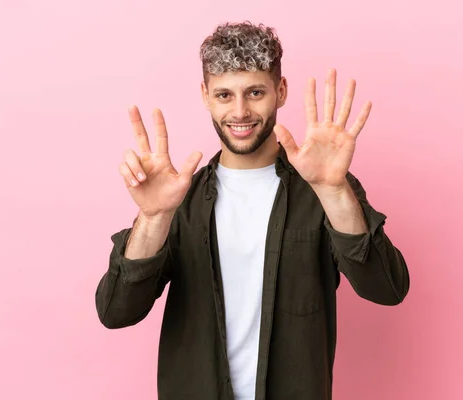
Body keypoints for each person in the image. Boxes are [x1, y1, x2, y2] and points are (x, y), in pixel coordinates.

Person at [95, 21, 410, 400]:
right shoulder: (179, 199)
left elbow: (387, 288)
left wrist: (333, 190)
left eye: (255, 92)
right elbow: (116, 311)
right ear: (205, 95)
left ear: (281, 91)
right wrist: (152, 218)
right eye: (224, 95)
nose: (240, 112)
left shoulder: (325, 188)